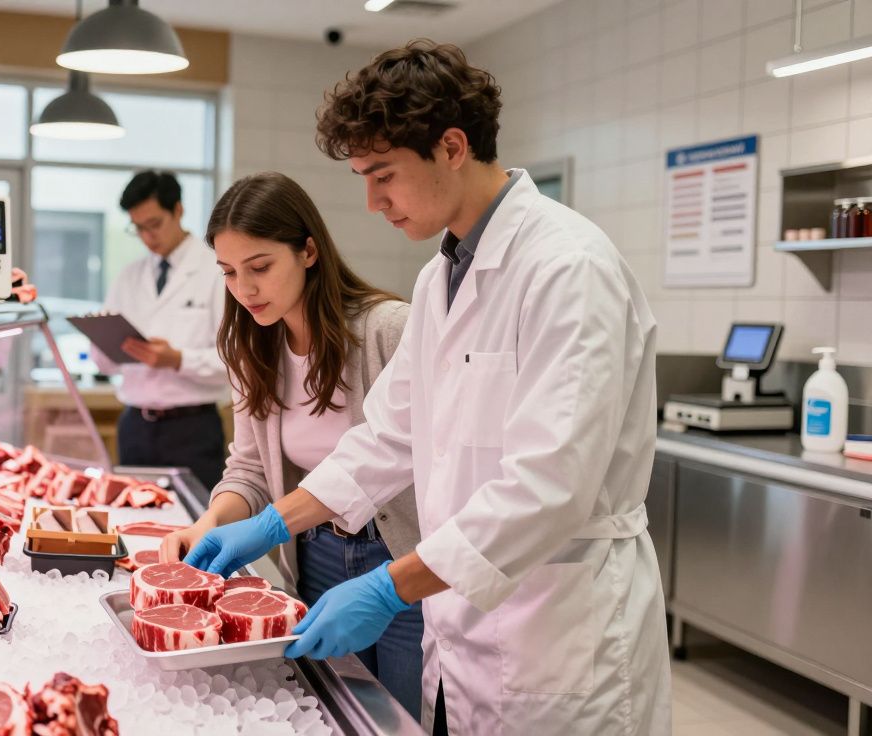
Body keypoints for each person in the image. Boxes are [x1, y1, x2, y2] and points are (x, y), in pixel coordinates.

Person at [184, 40, 672, 735]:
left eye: (383, 175)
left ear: (451, 147)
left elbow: (550, 487)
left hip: (559, 630)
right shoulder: (440, 277)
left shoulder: (569, 268)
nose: (372, 201)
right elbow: (387, 435)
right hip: (464, 622)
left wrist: (389, 586)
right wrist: (271, 523)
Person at [159, 171, 426, 719]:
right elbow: (250, 468)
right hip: (315, 553)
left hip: (401, 557)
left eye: (259, 267)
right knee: (338, 712)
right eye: (229, 272)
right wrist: (211, 521)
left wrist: (269, 524)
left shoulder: (388, 330)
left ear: (308, 251)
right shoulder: (251, 347)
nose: (244, 289)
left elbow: (421, 456)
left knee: (401, 716)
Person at [92, 171, 228, 491]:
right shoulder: (128, 276)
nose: (147, 236)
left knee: (197, 518)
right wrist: (103, 340)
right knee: (133, 515)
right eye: (138, 227)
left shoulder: (217, 270)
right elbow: (105, 365)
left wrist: (178, 360)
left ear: (178, 210)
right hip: (135, 426)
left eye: (154, 224)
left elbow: (235, 362)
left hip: (192, 429)